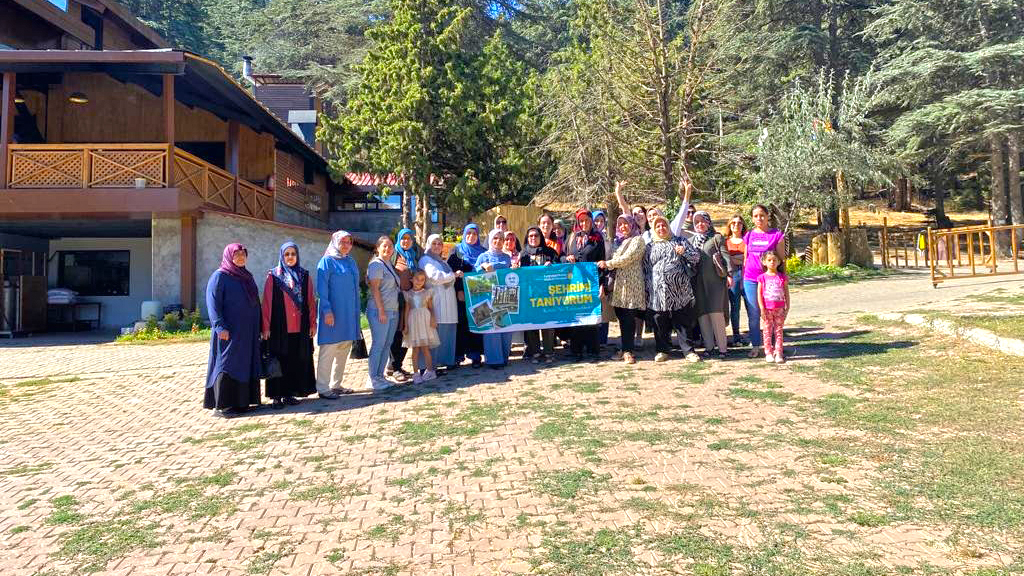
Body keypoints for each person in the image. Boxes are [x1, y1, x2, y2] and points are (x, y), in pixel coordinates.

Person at [205, 243, 261, 417]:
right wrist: (219, 326)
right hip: (228, 332)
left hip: (247, 332)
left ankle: (242, 403)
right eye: (236, 254)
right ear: (229, 256)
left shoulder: (247, 276)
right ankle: (223, 406)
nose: (240, 257)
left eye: (243, 254)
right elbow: (213, 304)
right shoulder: (220, 276)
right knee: (226, 364)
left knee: (244, 365)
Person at [261, 241, 317, 409]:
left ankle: (289, 393)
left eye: (293, 254)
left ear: (297, 256)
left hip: (300, 327)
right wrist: (266, 327)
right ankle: (276, 397)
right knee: (279, 361)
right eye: (287, 254)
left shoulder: (304, 275)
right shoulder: (273, 276)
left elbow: (311, 301)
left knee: (294, 360)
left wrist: (312, 324)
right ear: (282, 256)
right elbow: (267, 303)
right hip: (279, 327)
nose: (290, 257)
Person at [644, 215, 702, 363]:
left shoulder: (680, 241)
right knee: (659, 321)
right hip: (657, 291)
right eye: (657, 226)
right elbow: (645, 268)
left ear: (668, 226)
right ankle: (662, 350)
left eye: (664, 225)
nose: (661, 228)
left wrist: (684, 252)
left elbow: (696, 258)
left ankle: (689, 352)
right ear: (654, 229)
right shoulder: (650, 246)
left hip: (679, 290)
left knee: (682, 321)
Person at [314, 231, 362, 398]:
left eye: (349, 242)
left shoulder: (350, 261)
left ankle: (336, 384)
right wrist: (327, 311)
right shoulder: (326, 261)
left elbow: (355, 288)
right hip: (332, 313)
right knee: (329, 349)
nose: (346, 245)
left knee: (343, 348)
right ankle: (323, 388)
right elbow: (321, 289)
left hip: (348, 313)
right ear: (335, 242)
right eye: (343, 242)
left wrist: (356, 311)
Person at [598, 214, 646, 364]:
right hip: (618, 285)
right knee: (622, 318)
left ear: (632, 224)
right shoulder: (619, 241)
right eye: (620, 224)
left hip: (631, 285)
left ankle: (628, 351)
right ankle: (625, 348)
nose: (623, 227)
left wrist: (607, 264)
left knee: (629, 318)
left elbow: (628, 258)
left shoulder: (638, 240)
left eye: (626, 223)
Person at [742, 205, 786, 358]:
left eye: (762, 215)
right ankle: (755, 346)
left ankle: (773, 347)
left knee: (771, 313)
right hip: (750, 279)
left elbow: (782, 260)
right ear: (752, 218)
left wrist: (783, 280)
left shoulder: (776, 235)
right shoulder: (748, 235)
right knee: (754, 313)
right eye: (755, 216)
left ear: (768, 216)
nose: (759, 218)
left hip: (770, 281)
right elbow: (745, 259)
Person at [563, 209, 605, 360]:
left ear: (591, 221)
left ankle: (593, 351)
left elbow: (601, 263)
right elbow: (561, 256)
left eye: (587, 220)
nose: (584, 223)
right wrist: (567, 258)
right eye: (581, 221)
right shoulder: (572, 238)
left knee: (591, 318)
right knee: (576, 316)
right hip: (574, 284)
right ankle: (576, 351)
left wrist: (602, 285)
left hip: (591, 283)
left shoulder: (598, 238)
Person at [691, 211, 731, 360]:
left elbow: (726, 256)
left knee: (716, 314)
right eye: (697, 222)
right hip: (697, 283)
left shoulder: (716, 238)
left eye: (703, 221)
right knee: (703, 315)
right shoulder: (691, 241)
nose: (700, 224)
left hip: (715, 282)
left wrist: (730, 274)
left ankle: (722, 348)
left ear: (708, 222)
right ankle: (709, 347)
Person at [420, 234, 460, 372]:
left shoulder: (443, 262)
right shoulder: (426, 260)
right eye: (434, 243)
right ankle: (429, 365)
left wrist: (452, 276)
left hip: (448, 301)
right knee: (434, 334)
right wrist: (453, 275)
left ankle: (446, 360)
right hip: (436, 300)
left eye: (439, 243)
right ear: (428, 245)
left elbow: (446, 279)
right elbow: (435, 277)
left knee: (447, 332)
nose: (437, 246)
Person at [366, 236, 402, 390]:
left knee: (387, 344)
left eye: (390, 246)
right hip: (379, 310)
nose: (388, 249)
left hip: (392, 310)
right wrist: (381, 311)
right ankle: (372, 378)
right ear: (378, 248)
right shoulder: (376, 264)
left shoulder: (389, 264)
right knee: (378, 344)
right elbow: (375, 289)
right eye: (384, 246)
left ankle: (380, 377)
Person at [475, 229, 514, 368]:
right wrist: (482, 266)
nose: (498, 241)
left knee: (505, 329)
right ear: (490, 240)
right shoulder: (483, 256)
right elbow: (473, 273)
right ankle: (493, 360)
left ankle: (504, 358)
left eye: (501, 238)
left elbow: (509, 271)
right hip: (486, 296)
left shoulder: (507, 257)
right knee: (490, 330)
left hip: (504, 294)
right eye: (495, 238)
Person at [520, 226, 559, 363]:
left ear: (540, 237)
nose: (533, 238)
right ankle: (535, 352)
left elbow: (560, 267)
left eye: (536, 235)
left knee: (548, 323)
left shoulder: (550, 252)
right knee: (532, 324)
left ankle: (549, 352)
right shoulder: (523, 254)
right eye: (530, 236)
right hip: (530, 294)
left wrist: (552, 265)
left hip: (547, 294)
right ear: (527, 238)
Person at [448, 223, 485, 368]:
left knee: (478, 322)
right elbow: (452, 270)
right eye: (468, 233)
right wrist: (459, 290)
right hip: (462, 294)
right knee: (462, 324)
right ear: (464, 235)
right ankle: (458, 355)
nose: (471, 236)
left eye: (474, 234)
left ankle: (475, 355)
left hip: (479, 293)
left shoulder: (483, 252)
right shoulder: (457, 250)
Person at [388, 228, 419, 382]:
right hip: (397, 301)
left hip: (411, 300)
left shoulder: (413, 256)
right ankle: (394, 367)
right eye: (403, 238)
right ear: (398, 240)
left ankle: (396, 365)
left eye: (409, 238)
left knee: (407, 333)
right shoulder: (393, 255)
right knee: (397, 333)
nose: (406, 241)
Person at [405, 269, 441, 383]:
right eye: (417, 279)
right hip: (414, 322)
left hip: (425, 322)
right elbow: (407, 310)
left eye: (422, 280)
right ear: (411, 279)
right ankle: (415, 374)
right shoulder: (408, 294)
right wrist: (406, 325)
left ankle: (430, 371)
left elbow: (431, 308)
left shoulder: (427, 292)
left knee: (425, 348)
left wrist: (433, 319)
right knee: (415, 349)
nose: (419, 282)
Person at [757, 251, 790, 363]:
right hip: (767, 309)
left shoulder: (782, 277)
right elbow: (759, 294)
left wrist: (787, 307)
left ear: (779, 262)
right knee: (767, 331)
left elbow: (786, 293)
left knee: (778, 331)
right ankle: (768, 353)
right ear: (764, 262)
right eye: (769, 260)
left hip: (779, 309)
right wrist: (762, 308)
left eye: (774, 260)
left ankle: (779, 352)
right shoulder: (762, 278)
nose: (772, 262)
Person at [725, 215, 748, 345]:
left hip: (747, 274)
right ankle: (736, 336)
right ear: (729, 225)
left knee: (751, 306)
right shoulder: (725, 241)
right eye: (733, 223)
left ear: (743, 225)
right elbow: (725, 259)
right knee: (735, 307)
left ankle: (754, 334)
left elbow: (749, 258)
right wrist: (740, 258)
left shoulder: (747, 240)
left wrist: (734, 258)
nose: (736, 225)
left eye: (739, 223)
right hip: (733, 275)